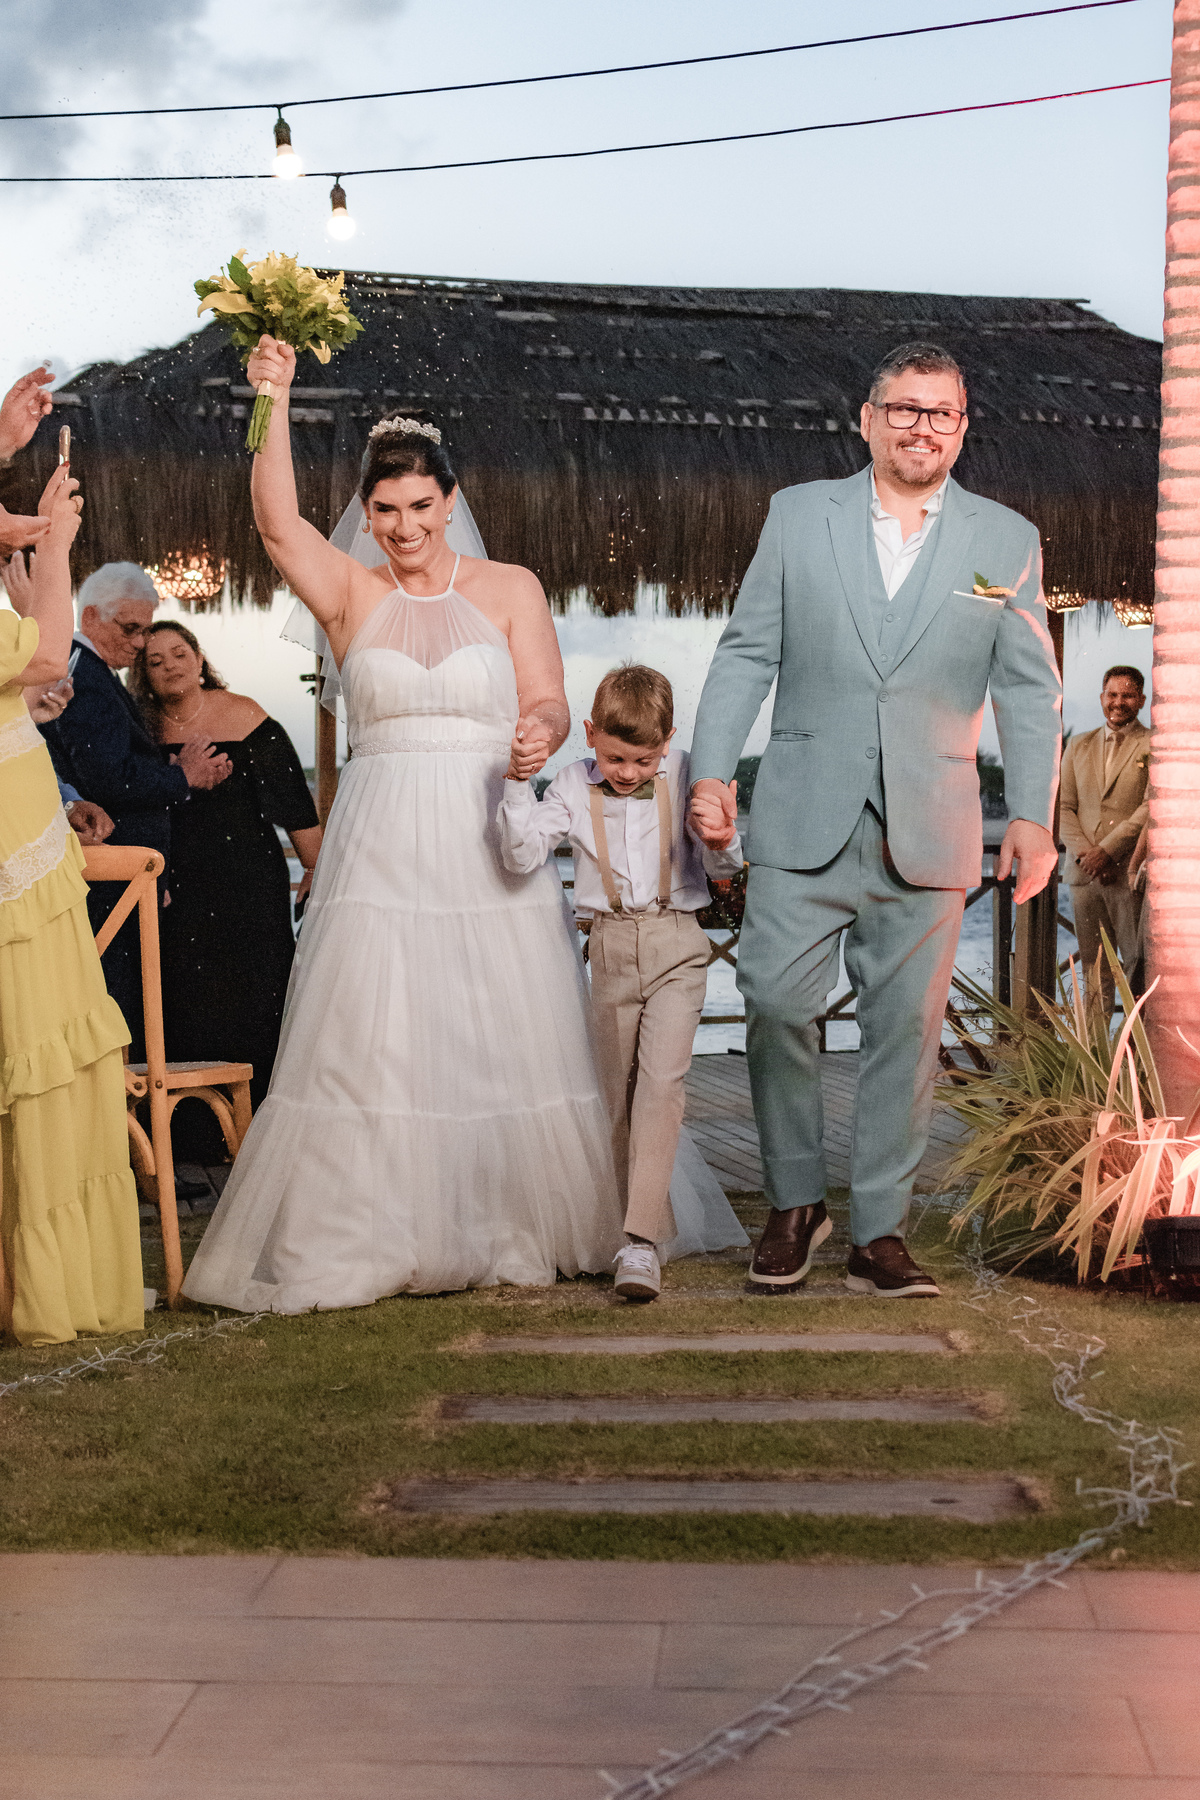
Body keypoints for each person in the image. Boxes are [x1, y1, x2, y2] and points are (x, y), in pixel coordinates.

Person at [183, 334, 625, 1312]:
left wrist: (535, 737)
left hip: (481, 834)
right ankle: (375, 1219)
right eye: (384, 509)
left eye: (420, 507)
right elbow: (273, 519)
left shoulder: (511, 588)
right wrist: (271, 400)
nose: (402, 525)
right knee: (374, 1028)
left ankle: (508, 1214)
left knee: (493, 1025)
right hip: (382, 838)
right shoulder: (349, 592)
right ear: (367, 512)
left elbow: (549, 703)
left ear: (450, 503)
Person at [689, 342, 1062, 1297]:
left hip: (930, 824)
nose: (922, 427)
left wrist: (1031, 813)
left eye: (941, 413)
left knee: (907, 1031)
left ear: (963, 427)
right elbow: (745, 653)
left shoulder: (1005, 537)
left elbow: (1029, 691)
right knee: (772, 1002)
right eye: (904, 409)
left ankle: (881, 1233)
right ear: (867, 418)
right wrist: (714, 771)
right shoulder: (797, 515)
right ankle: (796, 1203)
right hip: (802, 814)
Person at [499, 664, 748, 1301]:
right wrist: (516, 787)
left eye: (643, 759)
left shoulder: (692, 772)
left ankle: (640, 1245)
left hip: (678, 943)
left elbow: (723, 866)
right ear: (588, 734)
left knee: (662, 1085)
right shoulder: (569, 785)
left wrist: (723, 836)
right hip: (607, 947)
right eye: (614, 758)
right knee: (616, 1097)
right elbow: (522, 855)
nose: (629, 773)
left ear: (667, 743)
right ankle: (625, 1229)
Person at [0, 462, 144, 1346]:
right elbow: (49, 657)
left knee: (45, 1067)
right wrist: (54, 543)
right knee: (42, 1067)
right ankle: (44, 1290)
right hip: (16, 866)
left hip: (29, 835)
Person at [127, 621, 321, 1155]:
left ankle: (259, 1139)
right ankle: (191, 1144)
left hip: (248, 886)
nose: (169, 665)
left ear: (198, 657)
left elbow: (295, 807)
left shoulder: (247, 715)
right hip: (174, 890)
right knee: (180, 1002)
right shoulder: (138, 730)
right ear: (141, 673)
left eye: (179, 652)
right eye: (155, 659)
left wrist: (317, 869)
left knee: (256, 999)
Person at [35, 562, 231, 1047]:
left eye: (145, 629)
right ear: (91, 617)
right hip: (110, 881)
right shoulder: (87, 680)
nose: (142, 643)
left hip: (125, 879)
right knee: (116, 1010)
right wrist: (182, 776)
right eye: (132, 628)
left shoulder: (93, 673)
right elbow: (108, 778)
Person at [1059, 665, 1150, 1014]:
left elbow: (1149, 807)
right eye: (1112, 695)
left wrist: (1108, 853)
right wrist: (1090, 858)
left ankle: (1136, 1059)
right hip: (1085, 876)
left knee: (1134, 966)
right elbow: (1065, 809)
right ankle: (1095, 1059)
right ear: (1102, 698)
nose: (1119, 702)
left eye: (1127, 695)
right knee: (1094, 972)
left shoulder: (1154, 742)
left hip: (1128, 874)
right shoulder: (1077, 744)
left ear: (1141, 700)